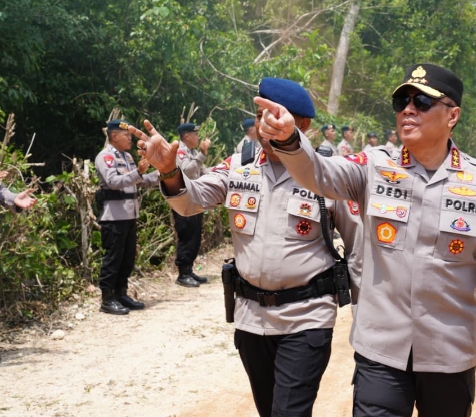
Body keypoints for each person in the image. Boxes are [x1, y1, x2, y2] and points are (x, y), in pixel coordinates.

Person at [262, 63, 476, 416]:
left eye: (422, 102)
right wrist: (289, 140)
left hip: (449, 352)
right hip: (381, 352)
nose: (408, 110)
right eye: (402, 101)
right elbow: (317, 173)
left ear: (453, 115)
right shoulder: (373, 166)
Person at [130, 77, 362, 417]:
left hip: (307, 317)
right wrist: (168, 170)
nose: (264, 124)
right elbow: (190, 201)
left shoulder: (329, 173)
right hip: (251, 319)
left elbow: (358, 251)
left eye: (275, 115)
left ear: (303, 125)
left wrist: (365, 321)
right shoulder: (239, 166)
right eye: (259, 115)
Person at [95, 119, 159, 315]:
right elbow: (113, 181)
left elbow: (139, 181)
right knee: (113, 258)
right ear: (114, 136)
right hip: (114, 216)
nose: (130, 138)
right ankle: (107, 299)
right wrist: (138, 172)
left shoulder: (127, 157)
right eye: (126, 135)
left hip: (130, 215)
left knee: (127, 258)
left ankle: (121, 293)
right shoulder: (105, 157)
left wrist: (162, 174)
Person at [173, 122, 211, 287]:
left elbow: (201, 171)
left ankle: (189, 270)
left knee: (195, 236)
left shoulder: (193, 152)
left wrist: (220, 168)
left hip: (195, 200)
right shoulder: (179, 152)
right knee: (186, 235)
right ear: (187, 136)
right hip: (183, 201)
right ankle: (182, 274)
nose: (198, 137)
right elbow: (186, 171)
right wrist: (202, 154)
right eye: (195, 135)